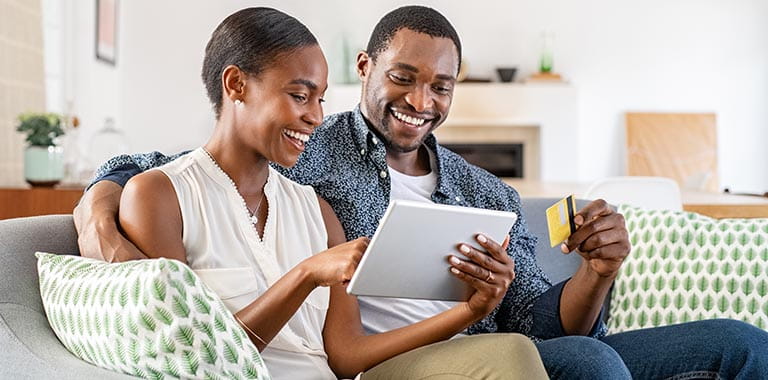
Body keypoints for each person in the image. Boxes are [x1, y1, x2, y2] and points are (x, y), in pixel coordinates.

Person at [76, 5, 768, 379]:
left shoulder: (484, 189)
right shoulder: (310, 146)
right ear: (366, 67)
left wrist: (596, 270)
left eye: (441, 85)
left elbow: (537, 320)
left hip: (499, 344)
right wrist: (102, 212)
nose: (420, 100)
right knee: (589, 362)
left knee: (739, 344)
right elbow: (176, 162)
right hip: (396, 361)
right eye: (403, 77)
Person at [106, 6, 546, 380]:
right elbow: (195, 357)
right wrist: (305, 275)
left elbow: (345, 356)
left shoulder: (316, 210)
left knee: (519, 351)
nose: (316, 117)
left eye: (320, 99)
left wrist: (470, 311)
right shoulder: (159, 196)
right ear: (236, 84)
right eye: (300, 96)